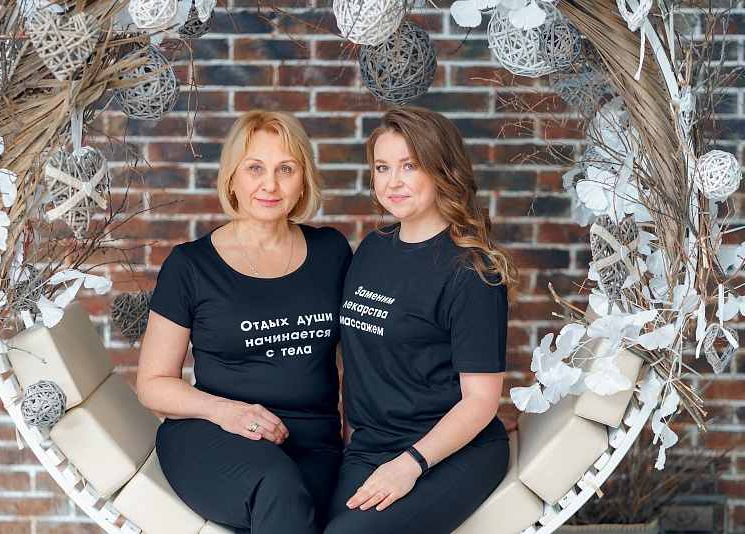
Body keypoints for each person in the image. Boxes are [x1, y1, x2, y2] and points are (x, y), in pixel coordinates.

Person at [137, 110, 352, 534]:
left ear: (303, 180)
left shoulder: (332, 252)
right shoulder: (191, 265)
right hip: (213, 434)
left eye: (285, 169)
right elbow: (152, 384)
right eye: (255, 168)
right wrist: (225, 412)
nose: (269, 185)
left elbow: (360, 362)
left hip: (313, 442)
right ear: (232, 178)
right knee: (278, 488)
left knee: (305, 508)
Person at [325, 106, 519, 534]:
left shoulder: (472, 270)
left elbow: (480, 401)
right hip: (372, 447)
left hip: (448, 453)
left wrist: (409, 464)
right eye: (382, 167)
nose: (392, 182)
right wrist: (348, 446)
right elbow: (357, 364)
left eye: (409, 166)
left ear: (441, 169)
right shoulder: (372, 249)